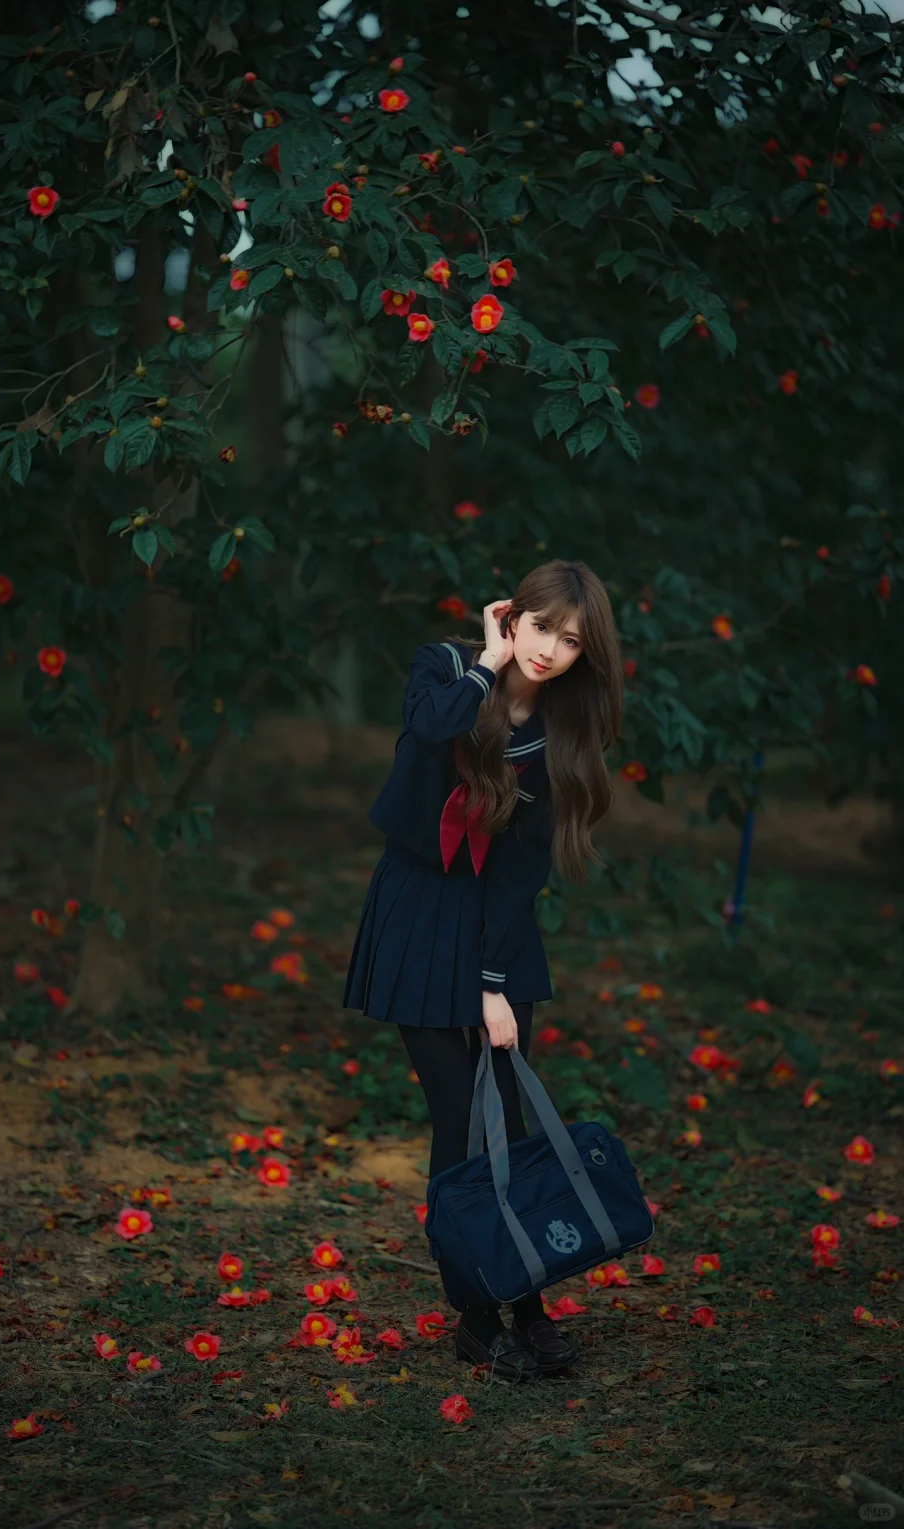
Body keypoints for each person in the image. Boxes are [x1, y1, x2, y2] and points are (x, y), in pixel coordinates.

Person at [344, 559, 624, 1381]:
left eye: (572, 641)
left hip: (494, 924)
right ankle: (474, 1315)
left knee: (508, 1115)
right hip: (416, 913)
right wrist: (488, 661)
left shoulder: (562, 728)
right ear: (513, 618)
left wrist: (494, 983)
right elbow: (433, 729)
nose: (551, 650)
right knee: (457, 1126)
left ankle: (526, 1299)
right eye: (541, 627)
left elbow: (521, 867)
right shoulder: (443, 667)